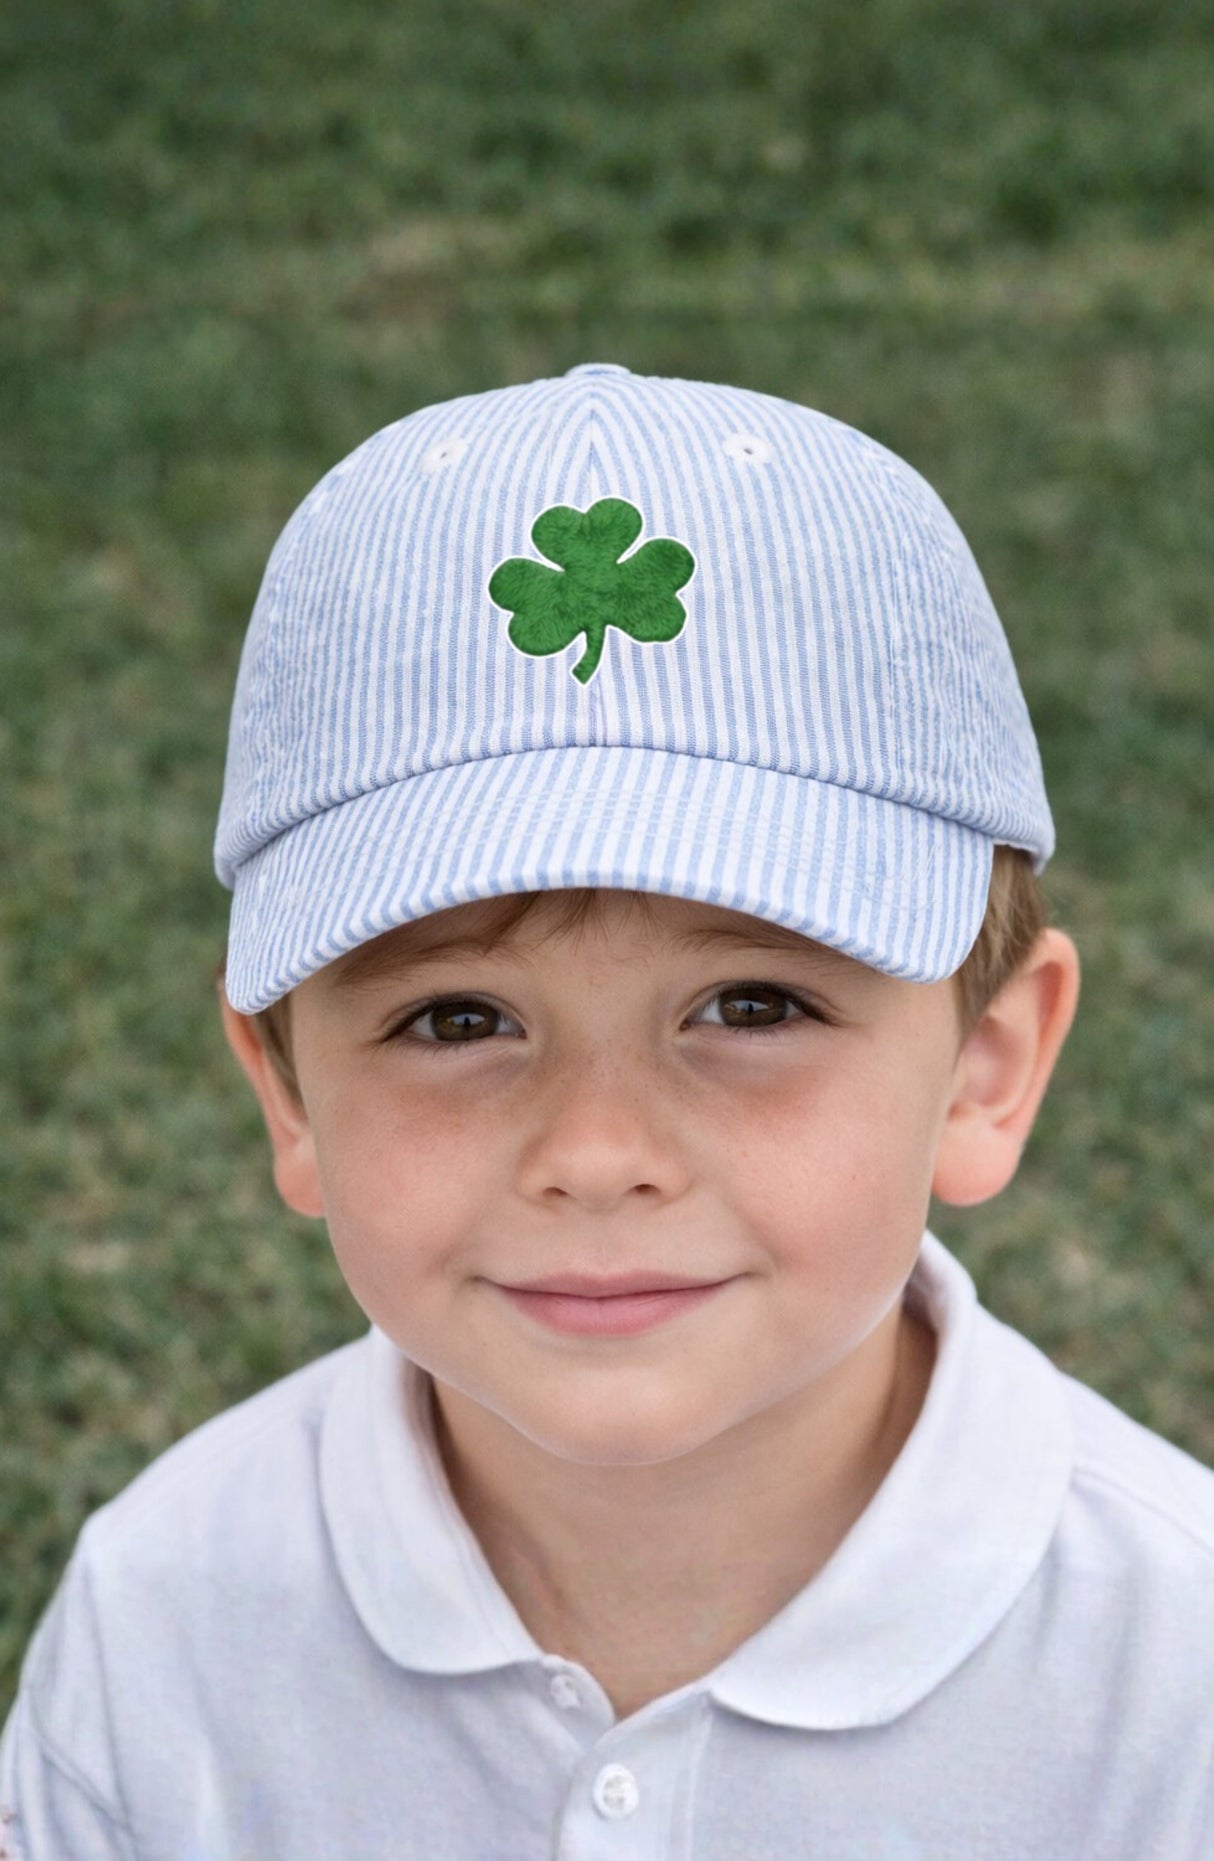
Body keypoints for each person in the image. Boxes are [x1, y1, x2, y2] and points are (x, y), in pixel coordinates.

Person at [2, 364, 1211, 1859]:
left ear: (987, 1065)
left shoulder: (1176, 1675)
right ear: (287, 1088)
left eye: (752, 1006)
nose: (595, 1154)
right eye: (457, 1019)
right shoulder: (165, 1620)